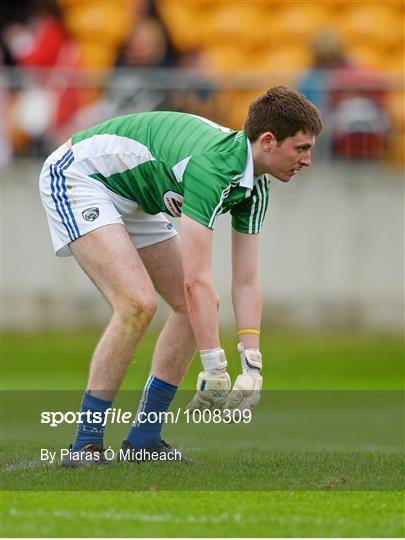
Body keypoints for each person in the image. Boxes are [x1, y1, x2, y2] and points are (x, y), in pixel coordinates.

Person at [39, 86, 323, 466]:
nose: (308, 160)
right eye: (301, 148)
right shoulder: (213, 169)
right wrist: (214, 365)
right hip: (80, 176)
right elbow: (196, 280)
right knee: (137, 304)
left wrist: (252, 362)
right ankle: (85, 444)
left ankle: (144, 439)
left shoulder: (255, 187)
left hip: (135, 195)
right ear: (268, 141)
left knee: (195, 310)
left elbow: (245, 281)